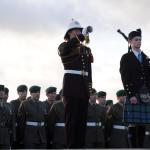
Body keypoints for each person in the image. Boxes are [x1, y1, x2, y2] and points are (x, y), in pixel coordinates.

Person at [58, 19, 93, 148]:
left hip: (83, 88)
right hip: (71, 87)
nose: (79, 32)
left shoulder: (85, 49)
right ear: (70, 33)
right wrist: (80, 36)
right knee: (71, 122)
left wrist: (89, 89)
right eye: (77, 30)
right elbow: (65, 50)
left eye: (80, 30)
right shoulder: (63, 46)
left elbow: (88, 71)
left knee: (81, 122)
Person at [120, 29, 150, 148]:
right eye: (136, 40)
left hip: (145, 94)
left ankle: (141, 147)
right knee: (133, 123)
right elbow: (125, 77)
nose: (139, 42)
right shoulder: (126, 57)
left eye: (140, 40)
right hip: (133, 93)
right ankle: (134, 148)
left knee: (142, 124)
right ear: (130, 41)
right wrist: (131, 94)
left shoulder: (146, 57)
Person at [10, 84, 28, 149]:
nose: (24, 93)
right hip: (16, 131)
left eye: (26, 92)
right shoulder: (13, 103)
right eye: (22, 92)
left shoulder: (29, 103)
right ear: (18, 93)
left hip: (27, 131)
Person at [0, 85, 15, 149]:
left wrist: (13, 136)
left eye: (2, 91)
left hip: (6, 135)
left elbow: (12, 122)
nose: (1, 92)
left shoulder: (9, 106)